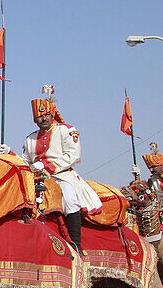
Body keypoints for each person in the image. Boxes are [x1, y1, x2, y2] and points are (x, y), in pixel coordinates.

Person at [16, 96, 101, 252]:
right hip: (36, 179)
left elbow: (73, 155)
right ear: (35, 120)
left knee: (69, 197)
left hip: (62, 175)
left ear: (52, 114)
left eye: (46, 115)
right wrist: (9, 155)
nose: (43, 119)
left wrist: (47, 166)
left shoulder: (66, 130)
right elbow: (24, 161)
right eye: (39, 117)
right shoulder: (30, 139)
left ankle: (75, 244)